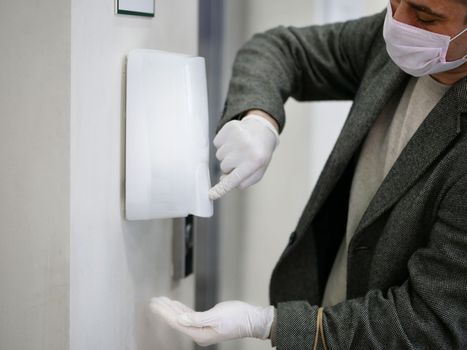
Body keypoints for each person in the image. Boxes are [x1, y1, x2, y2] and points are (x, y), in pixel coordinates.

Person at [150, 0, 467, 348]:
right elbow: (281, 49)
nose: (400, 23)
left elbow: (430, 324)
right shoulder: (397, 44)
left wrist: (269, 324)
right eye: (394, 1)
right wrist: (260, 118)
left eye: (424, 16)